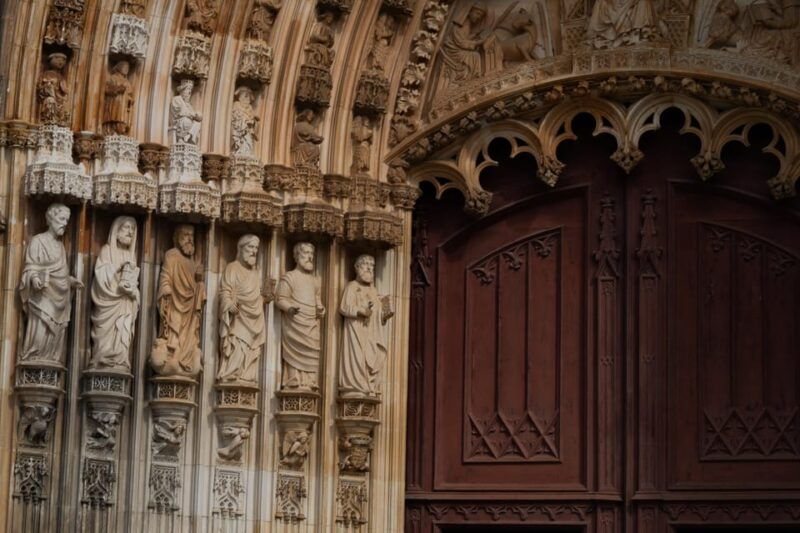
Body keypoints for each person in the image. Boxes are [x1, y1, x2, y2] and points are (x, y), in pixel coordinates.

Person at [19, 204, 83, 363]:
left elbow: (61, 274)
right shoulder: (38, 241)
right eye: (61, 219)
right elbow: (30, 267)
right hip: (42, 297)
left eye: (67, 220)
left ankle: (49, 363)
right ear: (50, 219)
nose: (65, 223)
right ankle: (34, 359)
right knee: (40, 334)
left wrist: (69, 281)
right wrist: (34, 278)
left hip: (60, 299)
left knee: (55, 336)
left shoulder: (60, 246)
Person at [150, 225, 206, 377]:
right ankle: (172, 356)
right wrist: (166, 288)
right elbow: (165, 276)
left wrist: (200, 282)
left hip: (189, 309)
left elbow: (194, 288)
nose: (189, 238)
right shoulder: (171, 255)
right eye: (185, 234)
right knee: (173, 333)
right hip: (175, 302)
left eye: (191, 235)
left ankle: (184, 360)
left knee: (188, 337)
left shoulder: (191, 262)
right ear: (177, 237)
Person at [338, 255, 393, 397]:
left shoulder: (374, 291)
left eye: (372, 265)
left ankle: (370, 385)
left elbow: (378, 314)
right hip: (356, 331)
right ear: (357, 268)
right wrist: (361, 311)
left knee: (372, 360)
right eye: (365, 265)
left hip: (371, 333)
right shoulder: (352, 287)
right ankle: (356, 388)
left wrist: (384, 313)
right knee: (357, 358)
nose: (369, 268)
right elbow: (344, 307)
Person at [89, 216, 140, 371]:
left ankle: (120, 361)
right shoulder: (107, 251)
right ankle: (101, 359)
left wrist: (132, 292)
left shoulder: (131, 256)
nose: (130, 232)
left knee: (122, 335)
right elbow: (100, 277)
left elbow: (134, 285)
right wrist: (118, 266)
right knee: (105, 340)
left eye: (132, 229)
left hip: (124, 306)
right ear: (116, 231)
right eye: (126, 227)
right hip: (108, 304)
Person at [217, 235, 266, 383]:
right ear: (241, 248)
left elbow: (256, 297)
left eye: (256, 248)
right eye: (250, 247)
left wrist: (265, 297)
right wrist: (228, 304)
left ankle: (245, 376)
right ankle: (231, 373)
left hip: (254, 320)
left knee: (250, 350)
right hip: (238, 318)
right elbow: (225, 290)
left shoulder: (255, 274)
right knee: (237, 346)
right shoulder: (232, 268)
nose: (254, 251)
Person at [276, 242, 324, 390]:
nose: (310, 257)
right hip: (295, 322)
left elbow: (318, 301)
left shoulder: (315, 281)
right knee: (294, 350)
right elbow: (280, 298)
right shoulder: (290, 277)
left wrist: (321, 309)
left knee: (311, 349)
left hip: (311, 322)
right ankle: (293, 378)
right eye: (306, 253)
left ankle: (309, 380)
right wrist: (289, 308)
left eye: (311, 254)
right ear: (297, 256)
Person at [103, 60, 134, 135]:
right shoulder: (113, 78)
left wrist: (130, 99)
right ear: (120, 68)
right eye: (125, 67)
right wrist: (117, 89)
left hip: (123, 105)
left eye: (128, 68)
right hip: (114, 102)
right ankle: (112, 130)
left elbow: (131, 95)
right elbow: (106, 89)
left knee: (122, 120)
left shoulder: (127, 82)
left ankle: (121, 131)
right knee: (115, 118)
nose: (127, 69)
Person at [169, 78, 202, 145]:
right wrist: (190, 114)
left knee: (197, 123)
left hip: (188, 120)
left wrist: (197, 115)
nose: (189, 92)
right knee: (185, 120)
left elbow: (193, 114)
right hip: (178, 120)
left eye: (190, 90)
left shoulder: (189, 104)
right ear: (182, 90)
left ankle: (190, 139)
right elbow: (178, 112)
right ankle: (180, 138)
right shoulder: (177, 99)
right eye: (187, 89)